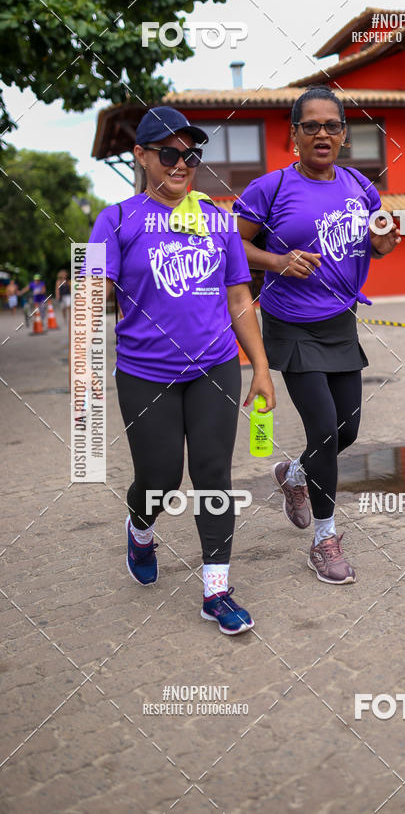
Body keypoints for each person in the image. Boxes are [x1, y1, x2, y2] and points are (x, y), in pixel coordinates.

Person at [87, 106, 275, 635]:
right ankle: (141, 528)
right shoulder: (117, 220)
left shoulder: (216, 219)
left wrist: (259, 367)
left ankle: (216, 590)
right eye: (168, 153)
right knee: (161, 479)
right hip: (146, 373)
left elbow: (238, 296)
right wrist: (84, 371)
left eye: (190, 154)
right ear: (142, 157)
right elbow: (93, 296)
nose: (181, 163)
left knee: (214, 474)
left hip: (215, 367)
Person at [234, 86, 400, 585]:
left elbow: (375, 242)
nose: (322, 134)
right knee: (324, 429)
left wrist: (384, 243)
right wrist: (278, 261)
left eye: (331, 125)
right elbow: (234, 247)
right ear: (295, 135)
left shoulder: (359, 186)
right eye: (311, 126)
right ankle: (324, 538)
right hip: (290, 325)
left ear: (344, 134)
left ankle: (295, 475)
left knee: (346, 431)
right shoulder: (271, 189)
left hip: (340, 321)